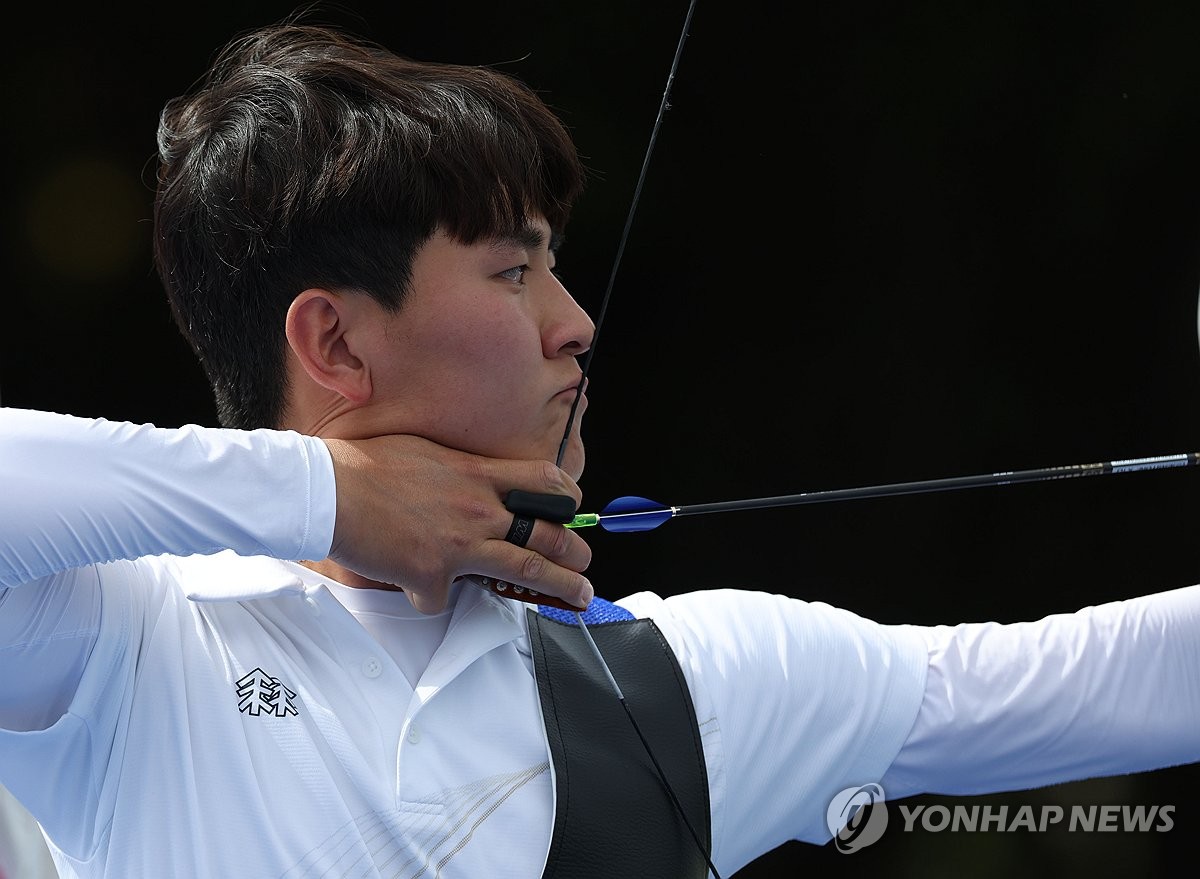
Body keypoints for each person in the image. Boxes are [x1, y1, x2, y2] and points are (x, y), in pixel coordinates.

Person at [1, 15, 1197, 879]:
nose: (575, 325)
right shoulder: (127, 649)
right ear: (334, 343)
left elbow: (1113, 678)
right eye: (514, 271)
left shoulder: (697, 682)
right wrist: (329, 495)